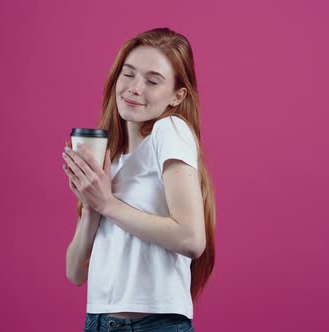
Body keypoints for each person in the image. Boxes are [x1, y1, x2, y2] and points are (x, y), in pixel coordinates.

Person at [62, 27, 216, 332]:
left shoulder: (170, 130)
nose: (134, 88)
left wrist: (107, 203)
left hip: (153, 325)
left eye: (152, 81)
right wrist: (92, 203)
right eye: (128, 74)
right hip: (97, 322)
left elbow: (191, 239)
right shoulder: (114, 159)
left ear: (177, 96)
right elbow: (75, 273)